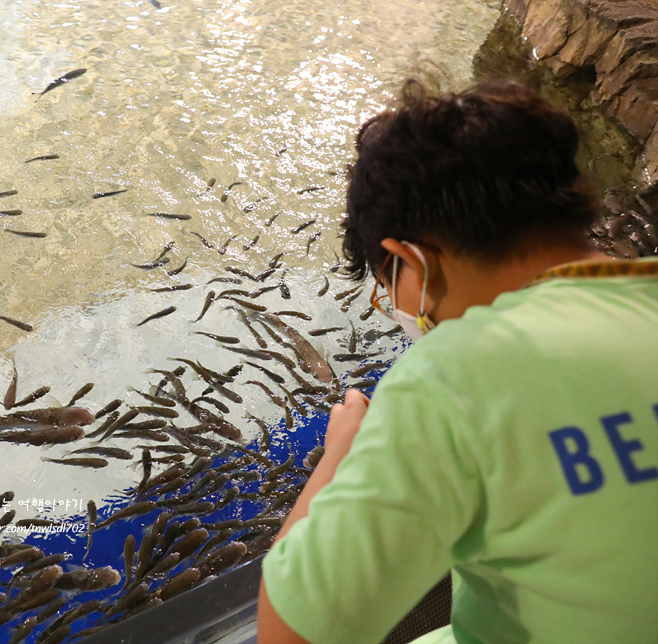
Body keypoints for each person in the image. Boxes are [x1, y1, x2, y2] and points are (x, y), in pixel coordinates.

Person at [257, 79, 658, 644]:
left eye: (387, 288)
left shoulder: (452, 376)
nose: (396, 308)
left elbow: (288, 636)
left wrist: (339, 456)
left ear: (409, 258)